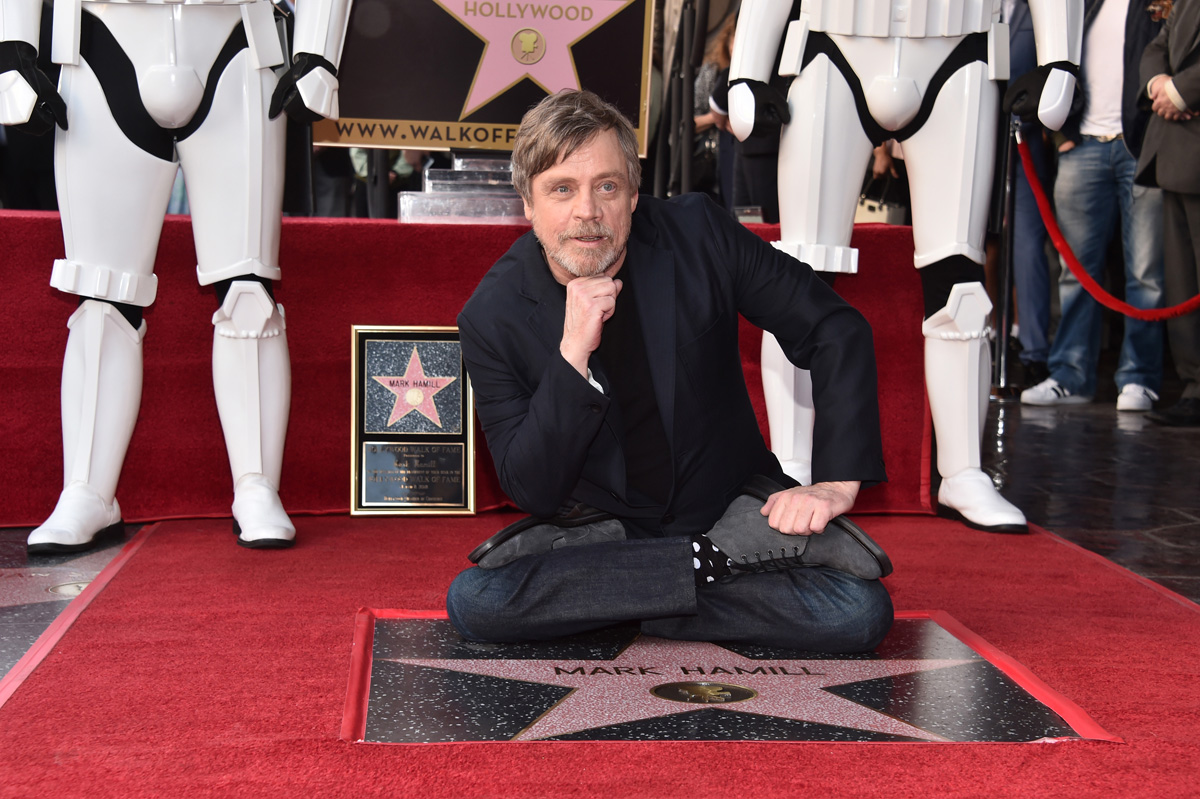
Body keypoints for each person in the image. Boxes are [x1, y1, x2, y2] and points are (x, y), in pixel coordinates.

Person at [448, 90, 893, 653]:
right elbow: (531, 488)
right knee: (476, 602)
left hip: (727, 516)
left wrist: (836, 481)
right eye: (561, 189)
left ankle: (613, 605)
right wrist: (571, 356)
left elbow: (833, 326)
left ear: (634, 194)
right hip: (601, 531)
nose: (587, 211)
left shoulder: (699, 234)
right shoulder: (491, 315)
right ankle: (689, 576)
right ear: (528, 203)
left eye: (607, 186)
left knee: (856, 612)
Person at [0, 0, 352, 552]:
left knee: (248, 286)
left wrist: (319, 50)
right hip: (100, 40)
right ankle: (87, 490)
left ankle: (256, 485)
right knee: (102, 293)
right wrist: (11, 48)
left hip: (238, 40)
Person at [1021, 0, 1165, 413]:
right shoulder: (1081, 4)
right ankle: (1070, 375)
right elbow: (1054, 66)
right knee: (1075, 271)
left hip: (1140, 147)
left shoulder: (1157, 4)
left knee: (1146, 274)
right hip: (1082, 145)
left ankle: (1139, 378)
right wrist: (1062, 134)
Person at [1136, 0, 1200, 427]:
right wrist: (1159, 83)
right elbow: (1157, 46)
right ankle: (1195, 386)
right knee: (1183, 282)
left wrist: (1181, 92)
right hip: (1176, 148)